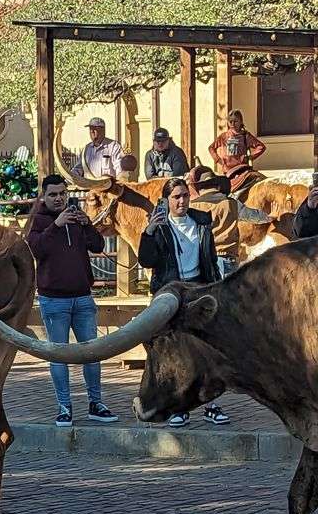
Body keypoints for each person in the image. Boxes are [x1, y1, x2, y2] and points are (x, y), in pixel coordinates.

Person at [26, 174, 118, 428]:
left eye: (62, 194)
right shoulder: (38, 221)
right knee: (58, 356)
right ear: (43, 196)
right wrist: (55, 225)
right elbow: (34, 249)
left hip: (83, 298)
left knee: (92, 353)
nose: (58, 199)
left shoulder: (76, 218)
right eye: (53, 194)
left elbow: (99, 246)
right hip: (54, 301)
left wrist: (87, 224)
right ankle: (64, 407)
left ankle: (96, 404)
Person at [138, 176, 227, 428]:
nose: (181, 201)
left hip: (199, 287)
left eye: (185, 195)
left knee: (206, 348)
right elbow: (147, 260)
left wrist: (215, 287)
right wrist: (149, 232)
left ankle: (211, 404)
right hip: (172, 290)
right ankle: (179, 407)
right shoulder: (161, 226)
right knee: (175, 351)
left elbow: (210, 258)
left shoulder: (200, 222)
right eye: (176, 197)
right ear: (167, 200)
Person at [188, 165, 239, 278]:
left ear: (200, 188)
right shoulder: (232, 203)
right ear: (218, 186)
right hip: (228, 259)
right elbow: (254, 216)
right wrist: (270, 216)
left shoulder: (193, 206)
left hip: (204, 259)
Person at [209, 110, 266, 176]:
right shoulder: (223, 136)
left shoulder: (245, 136)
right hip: (227, 171)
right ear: (227, 123)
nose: (233, 124)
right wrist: (218, 160)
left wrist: (249, 157)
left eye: (235, 121)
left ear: (241, 122)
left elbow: (261, 147)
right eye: (230, 122)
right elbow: (211, 148)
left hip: (242, 170)